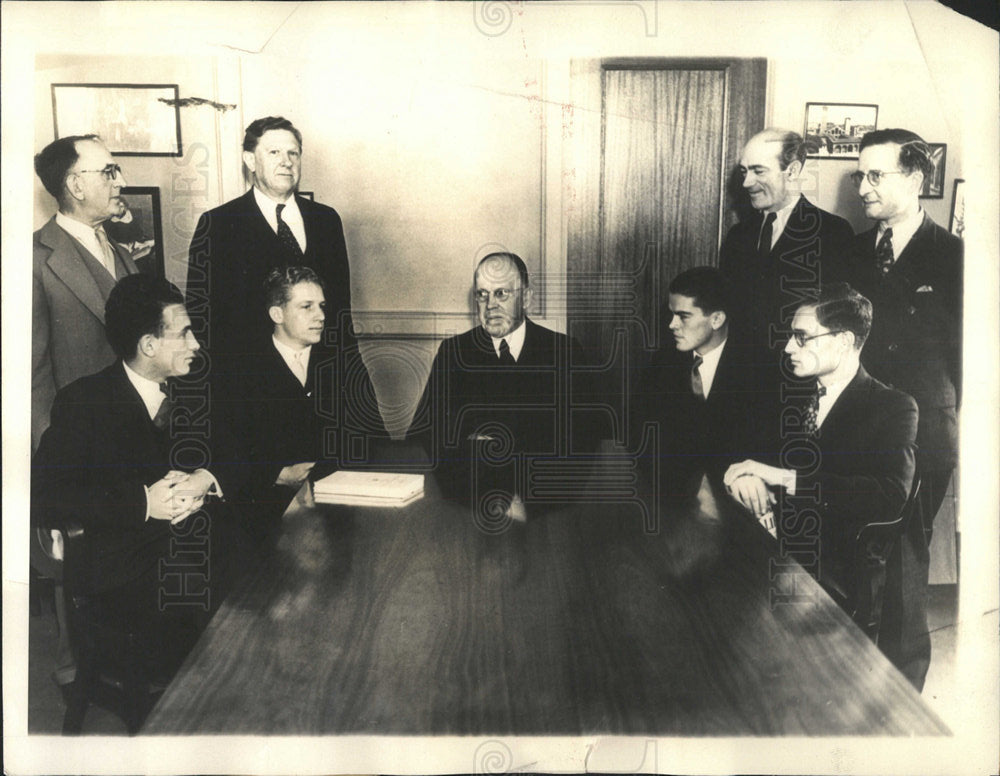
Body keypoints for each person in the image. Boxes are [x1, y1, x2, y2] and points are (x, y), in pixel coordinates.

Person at [31, 274, 250, 679]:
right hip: (124, 576)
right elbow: (44, 496)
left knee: (270, 576)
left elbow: (241, 454)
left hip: (198, 552)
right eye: (183, 334)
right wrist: (144, 502)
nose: (196, 345)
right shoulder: (84, 402)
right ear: (148, 346)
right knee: (239, 609)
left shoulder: (194, 391)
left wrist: (205, 476)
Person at [723, 284, 918, 673]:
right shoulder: (788, 394)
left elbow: (889, 495)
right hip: (771, 550)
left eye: (802, 338)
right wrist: (745, 478)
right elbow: (741, 454)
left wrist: (778, 476)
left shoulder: (893, 407)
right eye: (790, 337)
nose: (788, 349)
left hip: (833, 567)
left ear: (844, 341)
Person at [841, 128, 963, 689]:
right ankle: (849, 681)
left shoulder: (956, 256)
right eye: (858, 175)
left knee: (905, 562)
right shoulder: (852, 252)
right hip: (857, 428)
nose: (862, 187)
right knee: (855, 551)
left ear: (914, 180)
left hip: (924, 436)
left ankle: (901, 699)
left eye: (875, 175)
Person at [408, 252, 591, 522]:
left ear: (526, 298)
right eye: (482, 295)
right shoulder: (454, 353)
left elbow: (583, 443)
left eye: (501, 293)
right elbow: (424, 433)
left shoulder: (565, 353)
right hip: (468, 508)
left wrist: (528, 504)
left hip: (545, 512)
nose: (490, 305)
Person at [187, 116, 355, 376]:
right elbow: (203, 318)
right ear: (250, 160)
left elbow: (341, 309)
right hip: (251, 384)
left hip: (324, 376)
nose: (286, 161)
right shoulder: (218, 225)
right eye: (274, 152)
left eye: (293, 153)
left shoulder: (326, 220)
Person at [224, 266, 379, 541]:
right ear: (277, 314)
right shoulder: (241, 372)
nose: (320, 316)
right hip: (264, 516)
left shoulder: (344, 365)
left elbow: (369, 436)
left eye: (321, 306)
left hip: (341, 510)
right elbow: (228, 449)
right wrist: (277, 474)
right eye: (306, 307)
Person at [631, 267, 778, 497]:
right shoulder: (663, 362)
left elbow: (766, 448)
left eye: (683, 316)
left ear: (717, 319)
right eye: (671, 314)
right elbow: (639, 435)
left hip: (736, 498)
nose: (672, 324)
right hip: (671, 497)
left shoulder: (761, 370)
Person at [33, 134, 138, 451]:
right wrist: (54, 456)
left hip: (134, 440)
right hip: (78, 448)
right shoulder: (31, 259)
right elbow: (31, 379)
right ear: (76, 186)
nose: (121, 181)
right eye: (109, 171)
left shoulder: (122, 254)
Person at [719, 129, 853, 351]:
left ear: (792, 171)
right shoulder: (737, 236)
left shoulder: (833, 234)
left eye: (759, 171)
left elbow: (836, 322)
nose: (746, 182)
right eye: (744, 171)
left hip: (796, 377)